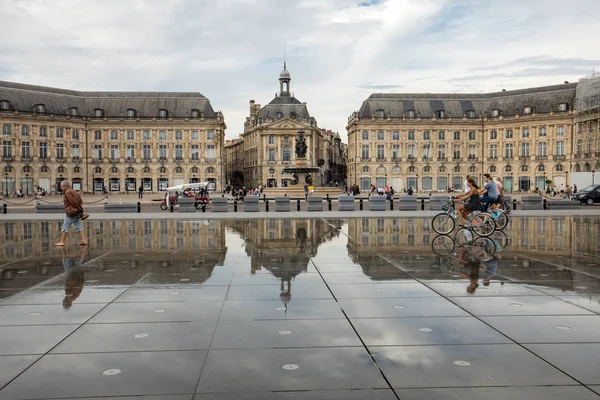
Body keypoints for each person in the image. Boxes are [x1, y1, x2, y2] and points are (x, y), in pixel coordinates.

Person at [55, 180, 88, 247]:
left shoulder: (67, 192)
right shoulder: (74, 191)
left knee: (65, 225)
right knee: (78, 225)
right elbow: (80, 201)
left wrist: (78, 208)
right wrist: (79, 209)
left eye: (61, 187)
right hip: (76, 212)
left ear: (64, 186)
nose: (61, 188)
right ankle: (83, 240)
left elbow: (73, 202)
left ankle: (62, 242)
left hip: (71, 212)